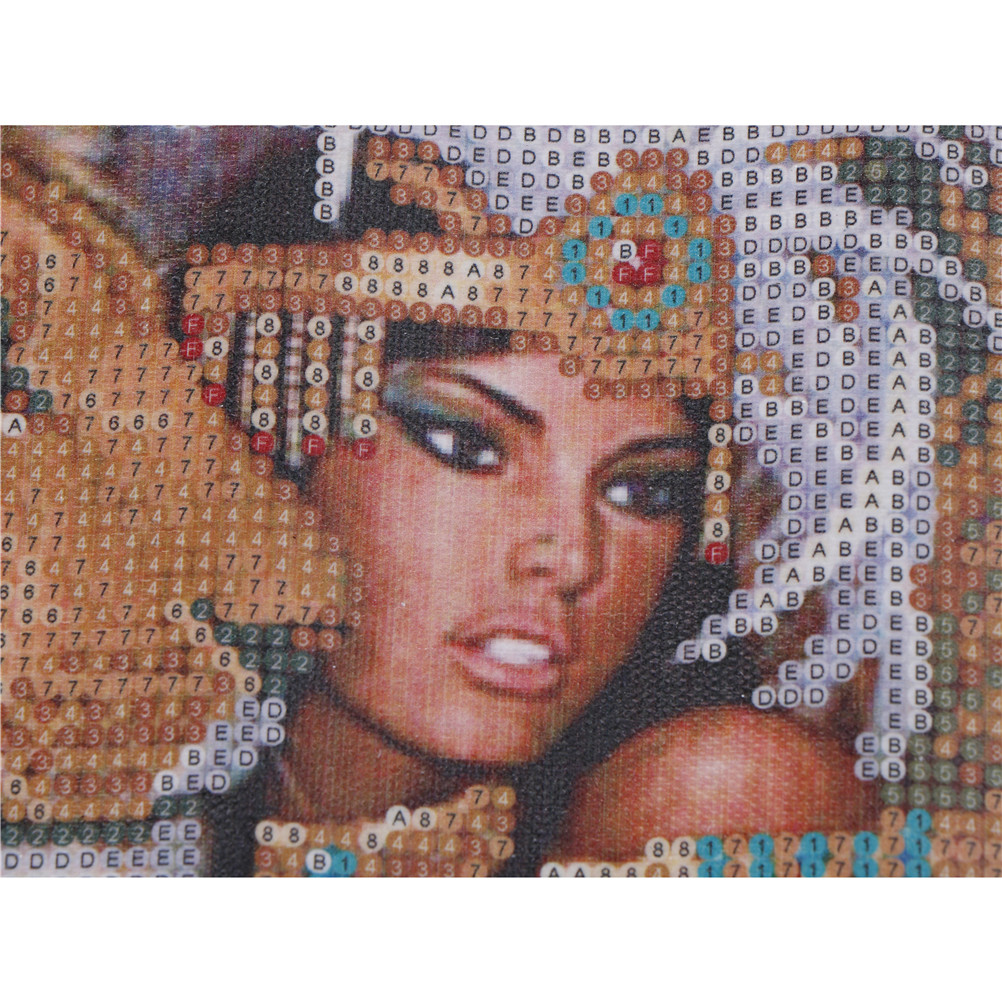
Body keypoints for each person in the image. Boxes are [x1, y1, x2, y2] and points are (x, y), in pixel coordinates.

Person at [191, 134, 875, 875]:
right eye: (467, 445)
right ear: (263, 433)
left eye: (641, 491)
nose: (572, 557)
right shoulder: (108, 767)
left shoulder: (716, 799)